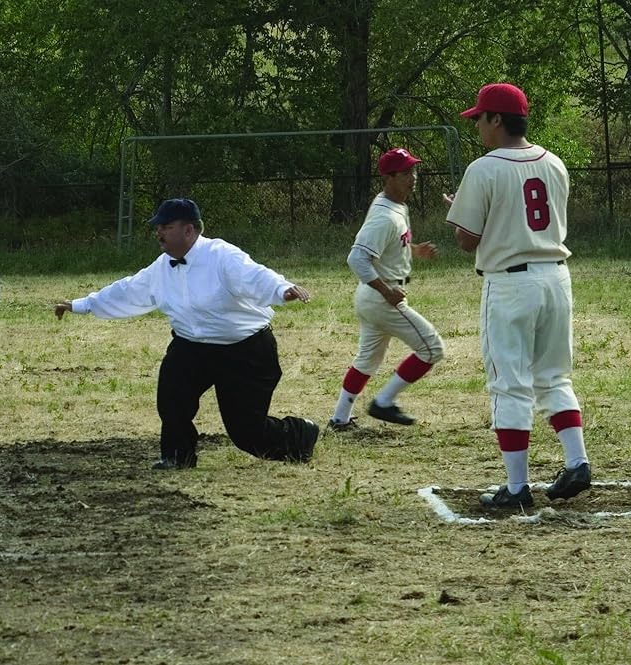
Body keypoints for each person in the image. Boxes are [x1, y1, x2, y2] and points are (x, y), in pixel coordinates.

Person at [53, 198, 319, 470]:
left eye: (166, 227)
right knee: (172, 400)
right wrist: (80, 304)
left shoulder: (222, 255)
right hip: (190, 348)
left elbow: (255, 275)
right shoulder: (161, 267)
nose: (159, 233)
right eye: (158, 227)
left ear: (189, 230)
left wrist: (282, 289)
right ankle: (177, 456)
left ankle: (301, 434)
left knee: (246, 432)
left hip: (245, 351)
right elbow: (128, 290)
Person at [446, 83, 591, 510]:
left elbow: (467, 240)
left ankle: (516, 487)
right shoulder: (555, 163)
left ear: (497, 119)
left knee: (509, 384)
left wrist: (462, 209)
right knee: (553, 376)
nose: (477, 127)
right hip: (556, 278)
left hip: (510, 283)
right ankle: (577, 460)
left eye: (480, 119)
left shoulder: (484, 168)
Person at [329, 148, 445, 431]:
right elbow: (356, 258)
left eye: (413, 171)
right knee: (432, 348)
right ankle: (384, 401)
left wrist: (414, 250)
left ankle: (340, 418)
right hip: (382, 298)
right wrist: (386, 291)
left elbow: (392, 243)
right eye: (405, 173)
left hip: (372, 298)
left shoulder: (395, 205)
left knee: (367, 360)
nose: (413, 177)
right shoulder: (384, 215)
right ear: (388, 177)